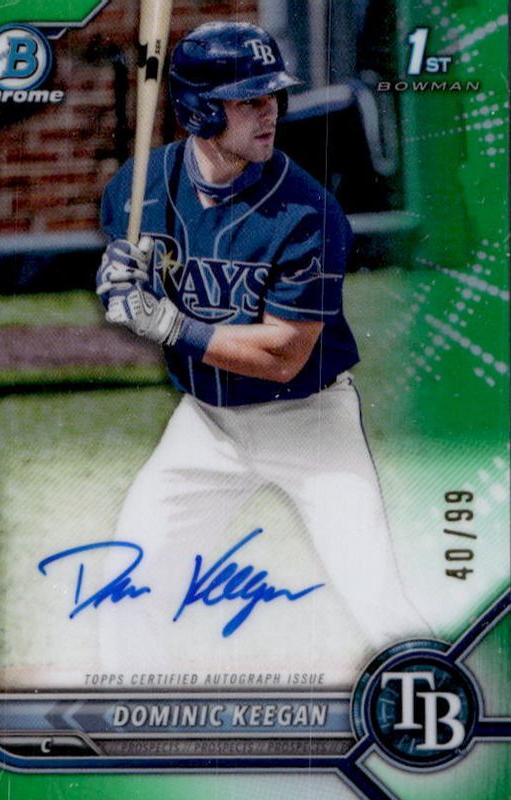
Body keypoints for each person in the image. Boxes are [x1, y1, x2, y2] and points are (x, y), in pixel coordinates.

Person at [96, 22, 427, 664]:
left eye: (272, 94)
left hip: (308, 422)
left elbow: (283, 355)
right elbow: (134, 272)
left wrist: (168, 324)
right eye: (249, 99)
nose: (270, 110)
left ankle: (435, 703)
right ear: (199, 109)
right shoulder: (137, 189)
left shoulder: (308, 214)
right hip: (206, 422)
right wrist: (121, 277)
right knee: (131, 580)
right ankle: (131, 714)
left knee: (376, 596)